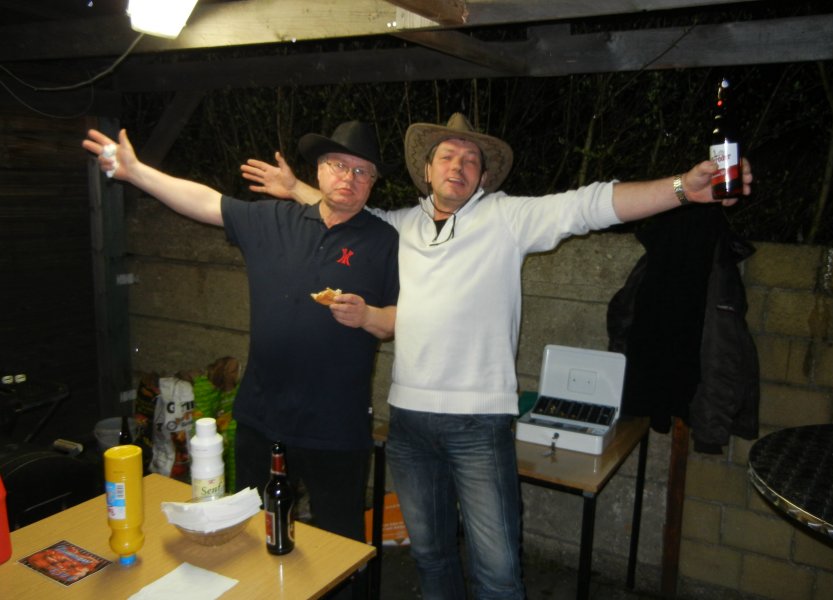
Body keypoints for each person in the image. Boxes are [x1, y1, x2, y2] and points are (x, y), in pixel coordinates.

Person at [240, 112, 752, 599]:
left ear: (483, 178)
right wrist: (295, 188)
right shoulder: (399, 227)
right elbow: (346, 204)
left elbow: (591, 204)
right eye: (447, 156)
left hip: (479, 426)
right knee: (431, 559)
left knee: (499, 574)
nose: (458, 166)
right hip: (409, 424)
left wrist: (683, 189)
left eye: (470, 160)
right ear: (426, 170)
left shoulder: (508, 218)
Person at [84, 121, 399, 599]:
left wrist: (369, 315)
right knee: (248, 537)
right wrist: (137, 172)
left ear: (372, 183)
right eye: (339, 165)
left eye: (362, 172)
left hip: (337, 428)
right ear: (319, 169)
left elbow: (399, 319)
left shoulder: (384, 240)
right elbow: (205, 202)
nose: (349, 178)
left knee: (340, 551)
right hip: (261, 420)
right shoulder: (273, 220)